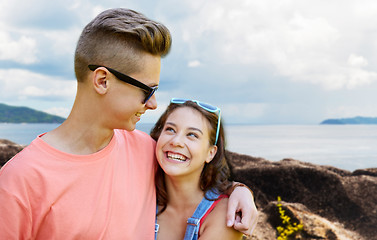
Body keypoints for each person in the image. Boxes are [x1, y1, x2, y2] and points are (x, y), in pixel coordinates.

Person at [0, 8, 257, 239]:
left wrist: (240, 190)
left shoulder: (146, 151)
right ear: (102, 81)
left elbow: (198, 179)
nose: (154, 104)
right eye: (148, 90)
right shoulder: (19, 182)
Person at [151, 98, 249, 239]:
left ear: (211, 153)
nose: (176, 141)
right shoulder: (141, 197)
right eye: (170, 129)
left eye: (192, 135)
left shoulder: (223, 214)